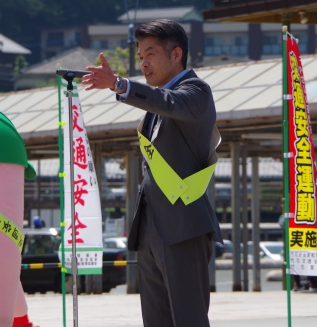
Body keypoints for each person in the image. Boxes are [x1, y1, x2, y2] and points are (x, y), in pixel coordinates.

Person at [82, 19, 222, 326]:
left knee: (188, 319)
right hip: (150, 229)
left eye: (150, 54)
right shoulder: (156, 105)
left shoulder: (196, 91)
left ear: (176, 55)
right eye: (140, 57)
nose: (143, 63)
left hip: (183, 226)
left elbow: (168, 102)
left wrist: (120, 84)